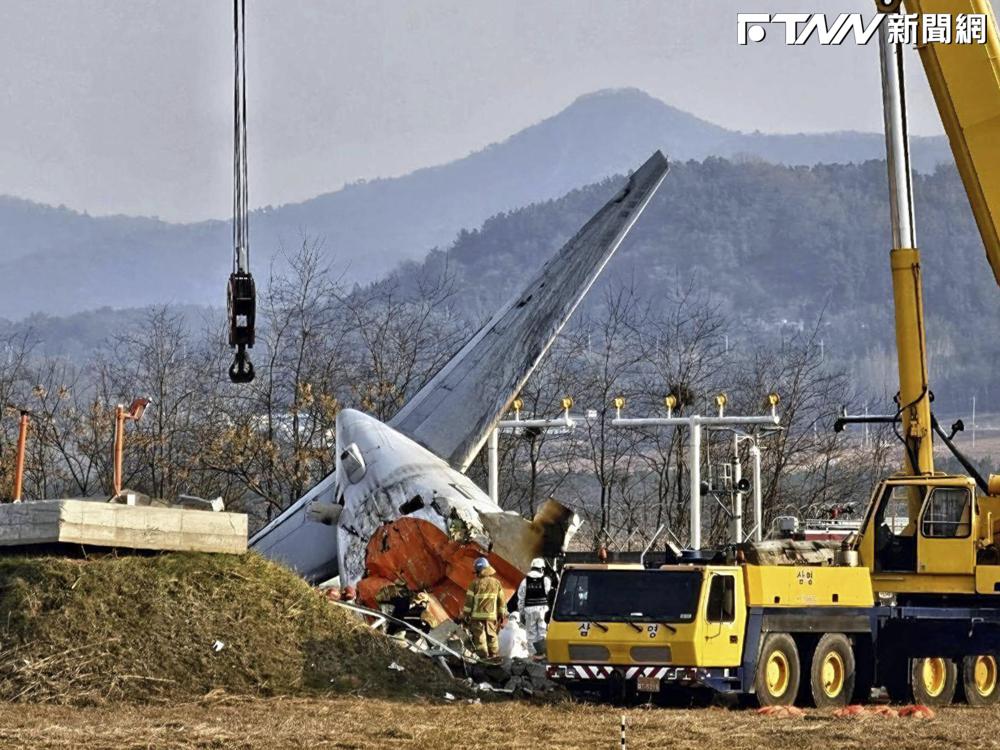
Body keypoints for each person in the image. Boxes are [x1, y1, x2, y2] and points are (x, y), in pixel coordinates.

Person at [462, 556, 507, 659]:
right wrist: (501, 614)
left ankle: (483, 659)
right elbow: (501, 601)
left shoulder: (474, 583)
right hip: (491, 617)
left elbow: (469, 602)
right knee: (492, 637)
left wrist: (466, 615)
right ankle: (494, 656)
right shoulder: (496, 583)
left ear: (478, 570)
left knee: (479, 638)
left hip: (476, 617)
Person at [517, 557, 553, 655]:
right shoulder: (545, 580)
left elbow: (521, 599)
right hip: (542, 611)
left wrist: (522, 613)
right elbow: (548, 592)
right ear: (541, 569)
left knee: (531, 635)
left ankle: (533, 656)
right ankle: (543, 654)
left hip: (529, 611)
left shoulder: (524, 582)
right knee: (542, 633)